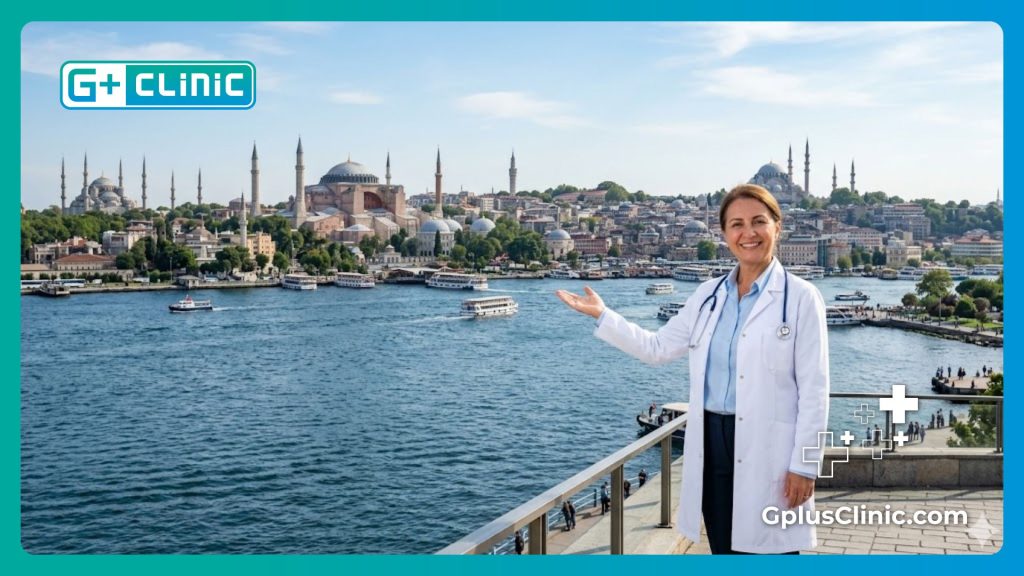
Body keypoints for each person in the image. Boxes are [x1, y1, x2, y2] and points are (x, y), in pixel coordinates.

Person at [556, 184, 829, 555]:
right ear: (725, 234)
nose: (747, 233)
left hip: (770, 449)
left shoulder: (800, 298)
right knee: (724, 548)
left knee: (773, 551)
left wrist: (805, 465)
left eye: (758, 222)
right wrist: (604, 315)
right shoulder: (708, 296)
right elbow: (658, 348)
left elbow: (814, 391)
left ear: (777, 227)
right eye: (736, 224)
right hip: (712, 445)